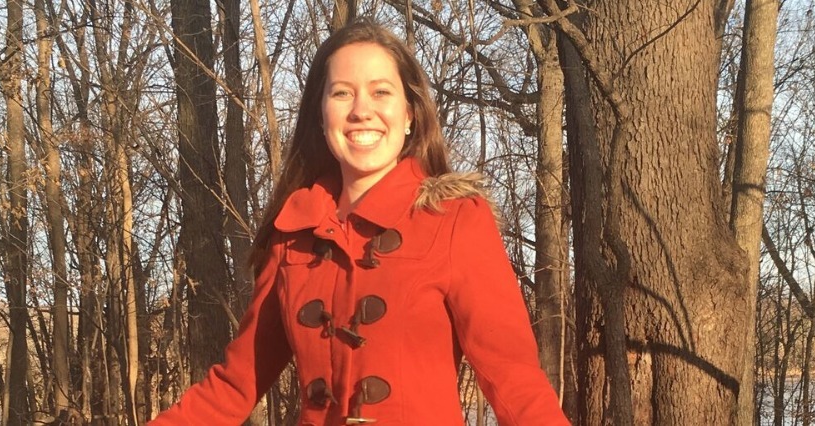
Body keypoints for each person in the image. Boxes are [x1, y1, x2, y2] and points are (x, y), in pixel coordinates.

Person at [150, 19, 569, 426]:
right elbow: (232, 387)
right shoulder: (292, 234)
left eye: (381, 92)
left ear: (410, 115)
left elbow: (514, 381)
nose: (361, 111)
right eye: (342, 93)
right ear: (321, 116)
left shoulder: (455, 218)